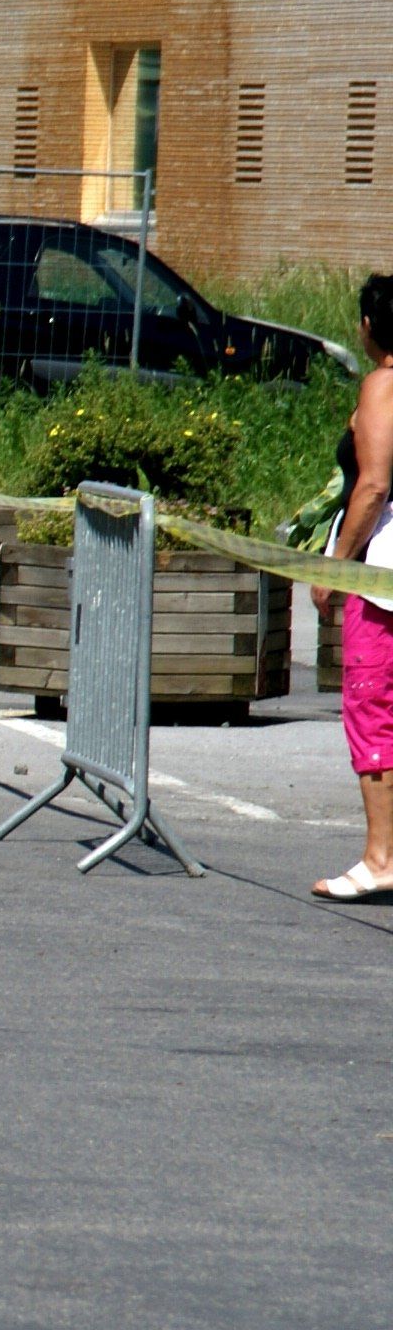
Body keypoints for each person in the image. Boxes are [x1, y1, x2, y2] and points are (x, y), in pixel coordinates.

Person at [316, 274, 393, 901]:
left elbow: (372, 486)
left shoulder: (383, 387)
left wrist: (336, 568)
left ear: (369, 327)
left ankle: (381, 857)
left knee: (372, 704)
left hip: (382, 577)